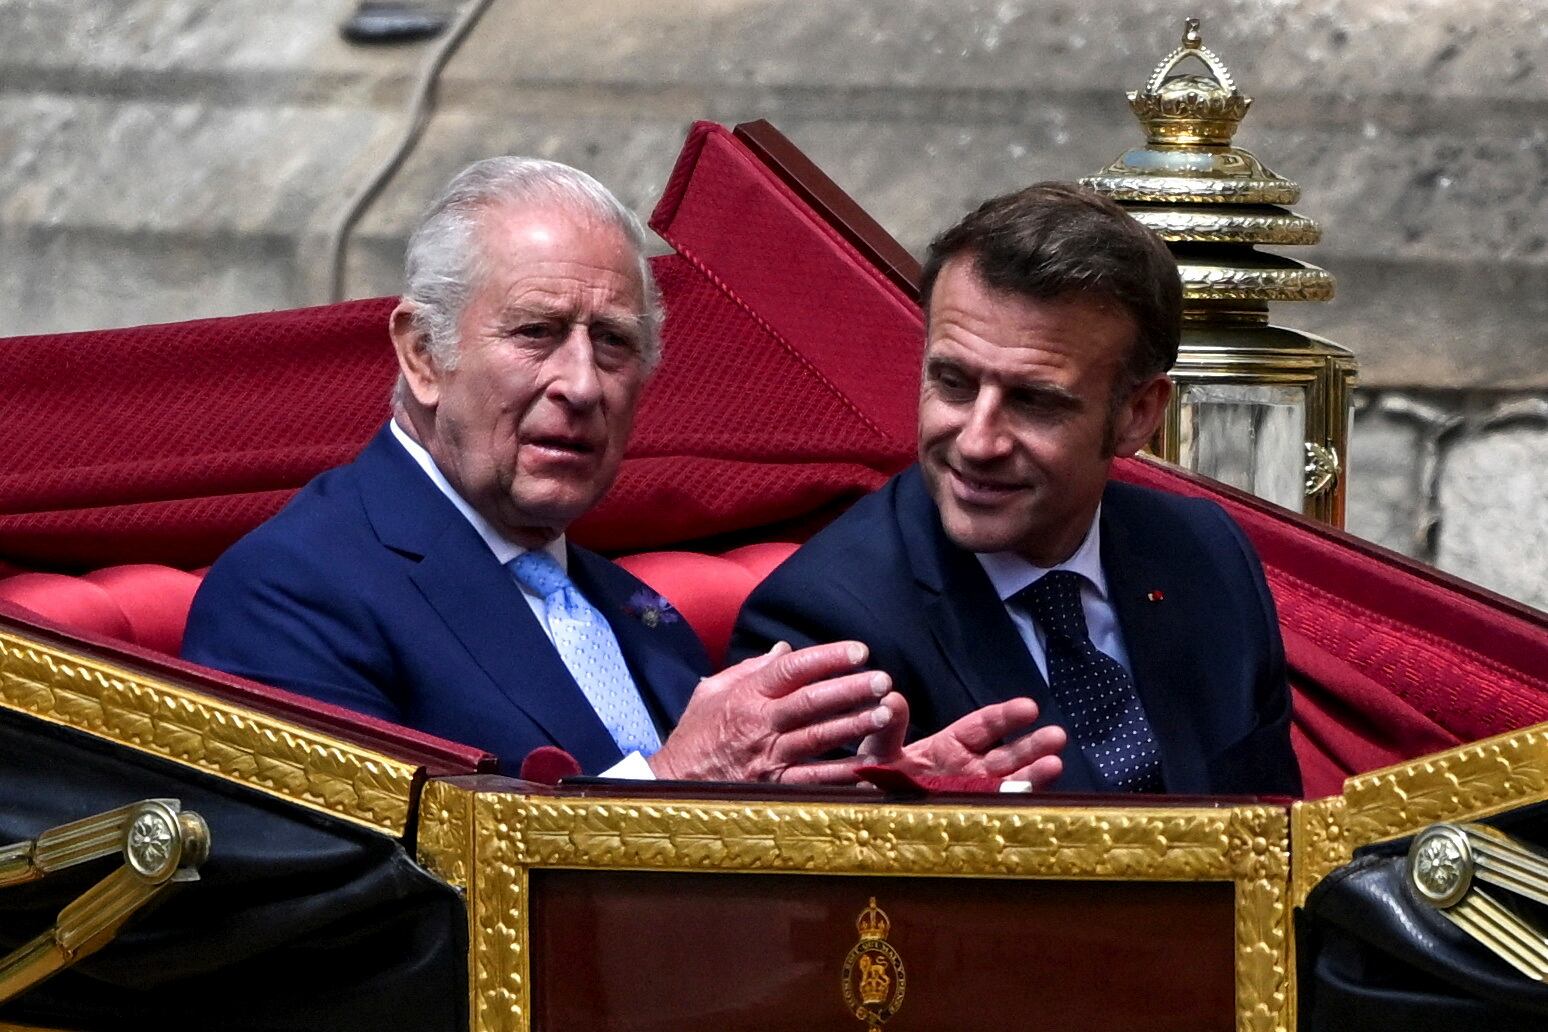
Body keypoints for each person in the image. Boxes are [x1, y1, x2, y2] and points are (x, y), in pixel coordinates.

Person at [183, 157, 1054, 784]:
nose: (582, 385)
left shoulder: (628, 608)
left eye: (614, 344)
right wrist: (680, 780)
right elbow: (358, 912)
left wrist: (881, 810)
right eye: (535, 333)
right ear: (422, 354)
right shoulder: (293, 592)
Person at [731, 182, 1302, 796]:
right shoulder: (823, 626)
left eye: (1033, 401)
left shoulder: (1205, 552)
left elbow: (1280, 836)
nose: (977, 443)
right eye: (953, 382)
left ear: (1137, 414)